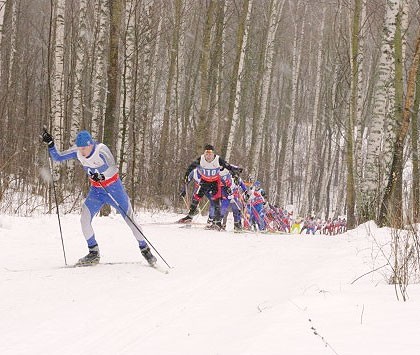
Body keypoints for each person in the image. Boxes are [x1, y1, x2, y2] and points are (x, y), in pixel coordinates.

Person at [41, 129, 157, 266]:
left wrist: (100, 174)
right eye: (80, 148)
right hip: (97, 191)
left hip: (114, 190)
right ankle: (93, 252)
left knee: (130, 220)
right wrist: (51, 144)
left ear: (91, 145)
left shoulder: (101, 150)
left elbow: (112, 166)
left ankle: (145, 250)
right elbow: (58, 157)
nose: (82, 151)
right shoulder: (78, 152)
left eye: (84, 148)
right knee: (84, 218)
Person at [178, 144, 242, 230]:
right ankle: (190, 216)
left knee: (216, 201)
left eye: (210, 154)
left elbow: (228, 166)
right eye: (206, 154)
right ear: (204, 153)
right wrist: (186, 176)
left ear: (213, 154)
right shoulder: (201, 159)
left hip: (215, 182)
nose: (208, 156)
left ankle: (217, 222)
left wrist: (235, 173)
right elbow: (190, 167)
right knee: (196, 197)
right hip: (204, 181)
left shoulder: (217, 159)